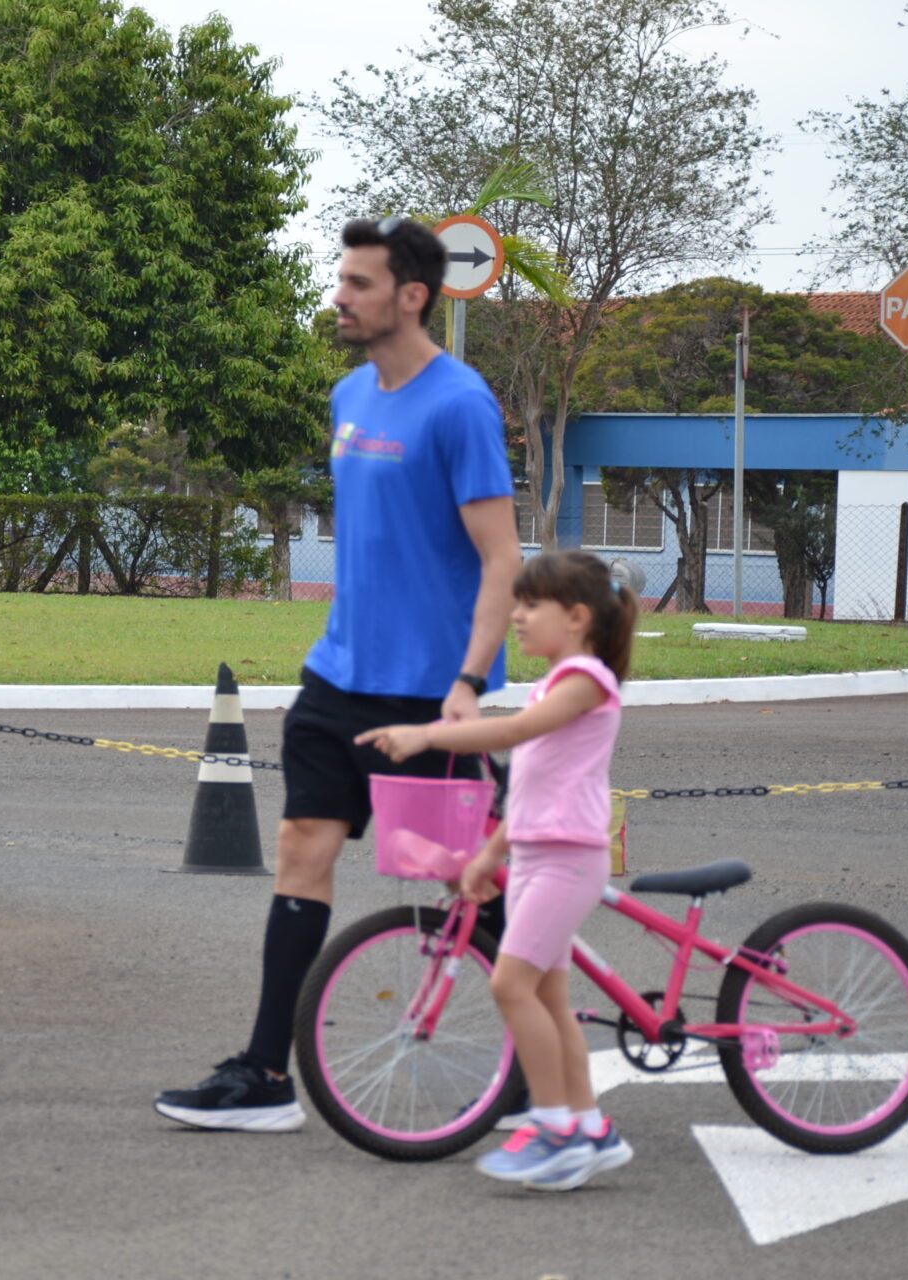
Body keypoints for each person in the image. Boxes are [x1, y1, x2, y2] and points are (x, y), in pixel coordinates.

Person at [153, 215, 522, 1133]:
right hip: (336, 678)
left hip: (429, 694)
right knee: (300, 850)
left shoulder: (460, 404)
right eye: (342, 279)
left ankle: (539, 1083)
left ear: (412, 296)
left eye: (360, 283)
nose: (340, 297)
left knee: (473, 884)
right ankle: (263, 1076)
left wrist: (469, 683)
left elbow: (501, 559)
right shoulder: (349, 394)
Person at [357, 549, 637, 1191]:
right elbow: (532, 789)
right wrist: (489, 855)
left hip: (568, 861)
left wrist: (428, 735)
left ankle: (554, 1129)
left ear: (576, 617)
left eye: (530, 605)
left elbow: (512, 735)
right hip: (541, 855)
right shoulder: (556, 683)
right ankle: (588, 1126)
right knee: (549, 998)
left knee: (510, 985)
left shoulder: (587, 680)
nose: (516, 616)